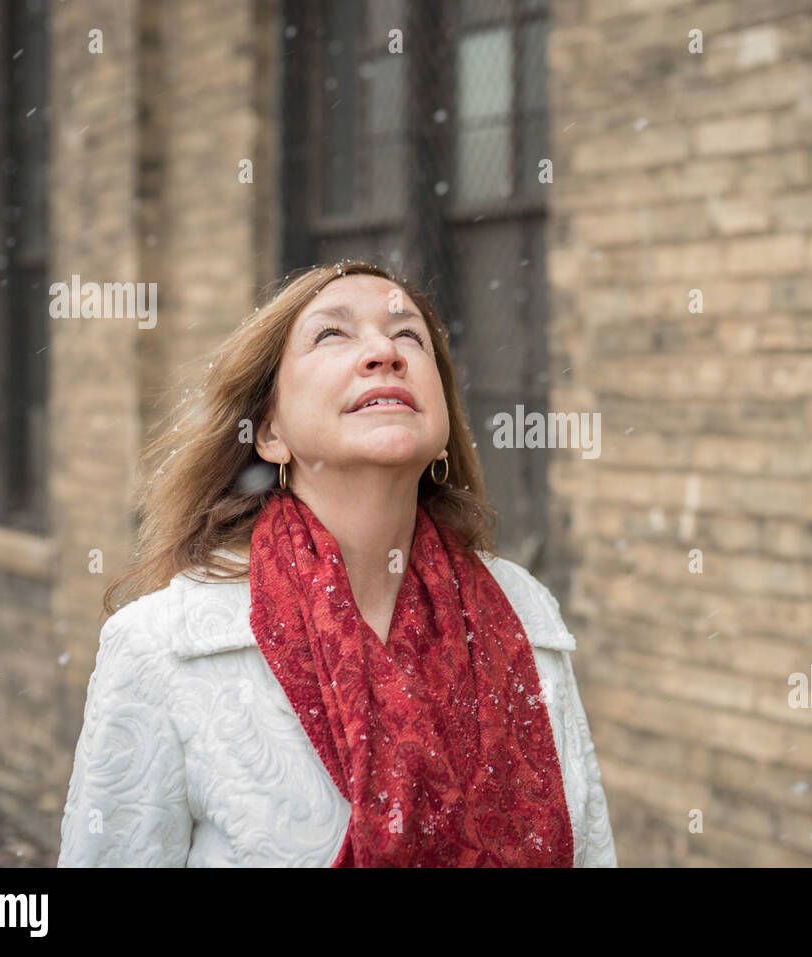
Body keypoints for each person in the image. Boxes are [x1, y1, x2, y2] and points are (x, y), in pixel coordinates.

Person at [57, 261, 617, 867]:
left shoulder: (525, 616)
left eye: (408, 336)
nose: (384, 351)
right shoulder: (161, 648)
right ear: (269, 433)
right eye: (332, 334)